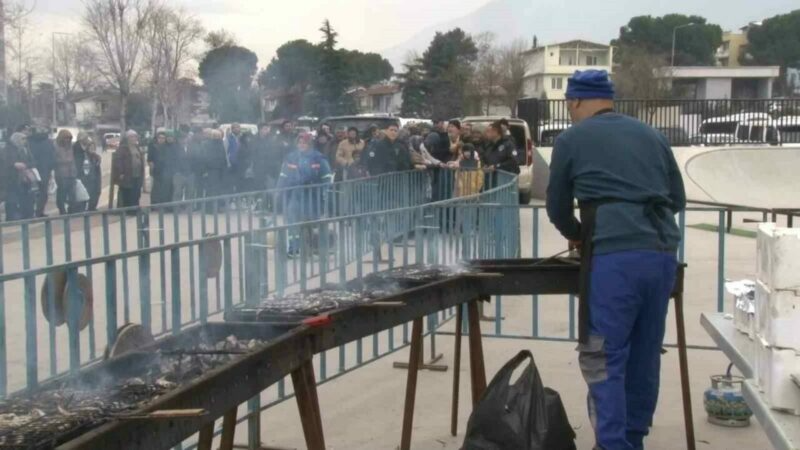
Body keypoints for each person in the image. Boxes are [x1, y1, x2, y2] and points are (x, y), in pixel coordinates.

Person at [545, 70, 686, 450]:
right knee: (644, 353)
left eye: (569, 104)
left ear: (575, 100)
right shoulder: (653, 135)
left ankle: (612, 444)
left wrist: (577, 233)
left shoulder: (572, 139)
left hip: (614, 260)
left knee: (604, 354)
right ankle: (632, 440)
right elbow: (677, 198)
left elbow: (557, 207)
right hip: (661, 256)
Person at [277, 132, 334, 256]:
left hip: (313, 196)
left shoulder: (318, 158)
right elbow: (283, 176)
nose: (301, 145)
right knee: (293, 221)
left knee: (311, 222)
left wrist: (324, 191)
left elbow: (326, 177)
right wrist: (279, 191)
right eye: (300, 142)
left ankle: (313, 248)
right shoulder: (291, 157)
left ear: (310, 144)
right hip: (295, 194)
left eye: (304, 143)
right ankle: (294, 248)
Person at [4, 132, 37, 221]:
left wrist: (26, 165)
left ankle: (26, 214)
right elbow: (5, 162)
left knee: (24, 196)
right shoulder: (8, 149)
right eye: (22, 139)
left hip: (23, 177)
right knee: (12, 198)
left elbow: (31, 161)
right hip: (11, 178)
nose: (24, 141)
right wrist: (14, 164)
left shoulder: (24, 149)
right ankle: (11, 216)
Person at [112, 130, 146, 212]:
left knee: (136, 192)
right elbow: (118, 161)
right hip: (127, 174)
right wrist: (121, 172)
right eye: (131, 137)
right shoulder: (122, 148)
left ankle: (135, 208)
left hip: (137, 174)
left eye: (135, 136)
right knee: (127, 192)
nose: (134, 138)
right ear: (127, 138)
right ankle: (127, 209)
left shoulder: (137, 147)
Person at [481, 121, 520, 189]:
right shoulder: (489, 146)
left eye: (488, 131)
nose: (486, 133)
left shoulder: (508, 144)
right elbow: (485, 158)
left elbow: (513, 161)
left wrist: (497, 166)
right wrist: (484, 165)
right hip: (490, 182)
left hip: (504, 182)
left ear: (495, 132)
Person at [28, 128, 55, 217]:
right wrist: (51, 168)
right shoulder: (48, 142)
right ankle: (39, 212)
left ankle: (29, 212)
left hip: (31, 170)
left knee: (31, 191)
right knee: (43, 192)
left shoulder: (29, 142)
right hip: (45, 170)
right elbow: (52, 156)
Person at [73, 131, 102, 212]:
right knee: (84, 191)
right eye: (85, 138)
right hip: (83, 174)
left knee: (94, 191)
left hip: (92, 175)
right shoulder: (78, 149)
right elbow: (78, 162)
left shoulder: (94, 156)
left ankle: (91, 207)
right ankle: (82, 208)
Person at [54, 130, 81, 215]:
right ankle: (62, 209)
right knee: (62, 192)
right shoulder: (56, 147)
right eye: (65, 138)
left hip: (72, 173)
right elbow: (53, 160)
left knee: (72, 193)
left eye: (69, 138)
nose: (67, 140)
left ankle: (72, 209)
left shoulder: (71, 146)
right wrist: (64, 161)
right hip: (61, 174)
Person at [148, 131, 172, 204]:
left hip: (165, 171)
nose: (161, 139)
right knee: (155, 189)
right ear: (157, 138)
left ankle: (162, 204)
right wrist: (152, 169)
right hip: (156, 171)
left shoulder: (167, 147)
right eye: (160, 138)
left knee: (164, 189)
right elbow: (150, 160)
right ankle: (154, 204)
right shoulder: (153, 147)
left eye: (163, 138)